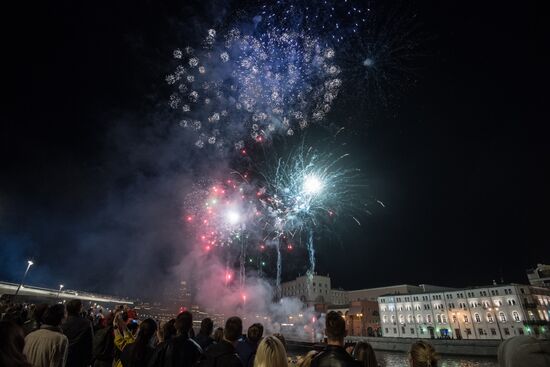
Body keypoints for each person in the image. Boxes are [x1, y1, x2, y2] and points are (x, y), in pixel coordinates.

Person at [62, 299, 94, 367]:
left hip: (63, 356)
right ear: (79, 309)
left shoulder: (62, 322)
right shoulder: (87, 323)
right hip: (79, 358)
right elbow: (89, 343)